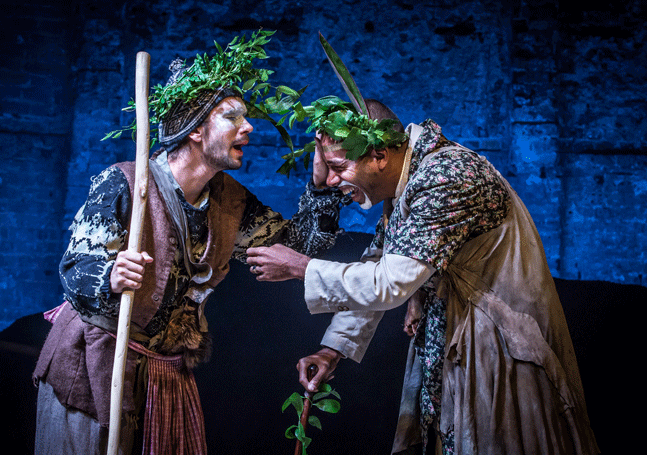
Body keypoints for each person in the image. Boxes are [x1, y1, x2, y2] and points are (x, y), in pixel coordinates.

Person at [246, 35, 599, 455]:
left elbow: (389, 282)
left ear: (379, 155)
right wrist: (333, 349)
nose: (333, 181)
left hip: (498, 353)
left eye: (338, 166)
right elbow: (380, 261)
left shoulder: (447, 176)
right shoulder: (407, 182)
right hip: (451, 347)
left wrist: (301, 267)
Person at [33, 30, 348, 455]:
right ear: (196, 129)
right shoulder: (125, 183)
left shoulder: (231, 203)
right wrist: (110, 275)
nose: (248, 127)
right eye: (232, 117)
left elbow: (295, 249)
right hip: (97, 367)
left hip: (165, 377)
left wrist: (322, 189)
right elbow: (75, 269)